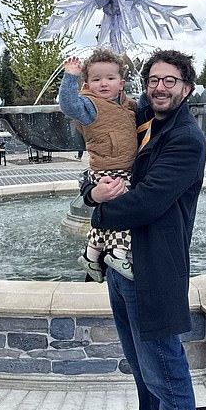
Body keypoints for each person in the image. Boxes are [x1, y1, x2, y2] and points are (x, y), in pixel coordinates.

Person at [83, 49, 206, 410]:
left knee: (168, 373)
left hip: (153, 267)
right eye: (154, 80)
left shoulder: (186, 139)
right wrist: (90, 187)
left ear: (187, 88)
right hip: (121, 263)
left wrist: (90, 208)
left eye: (170, 82)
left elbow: (149, 201)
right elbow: (97, 161)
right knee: (140, 365)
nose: (159, 88)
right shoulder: (139, 119)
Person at [59, 49, 137, 282]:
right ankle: (118, 253)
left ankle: (91, 255)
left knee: (108, 216)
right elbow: (68, 105)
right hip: (110, 170)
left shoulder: (129, 106)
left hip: (121, 167)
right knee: (128, 212)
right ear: (88, 83)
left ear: (121, 83)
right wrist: (70, 77)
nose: (103, 84)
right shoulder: (90, 106)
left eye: (110, 78)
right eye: (96, 79)